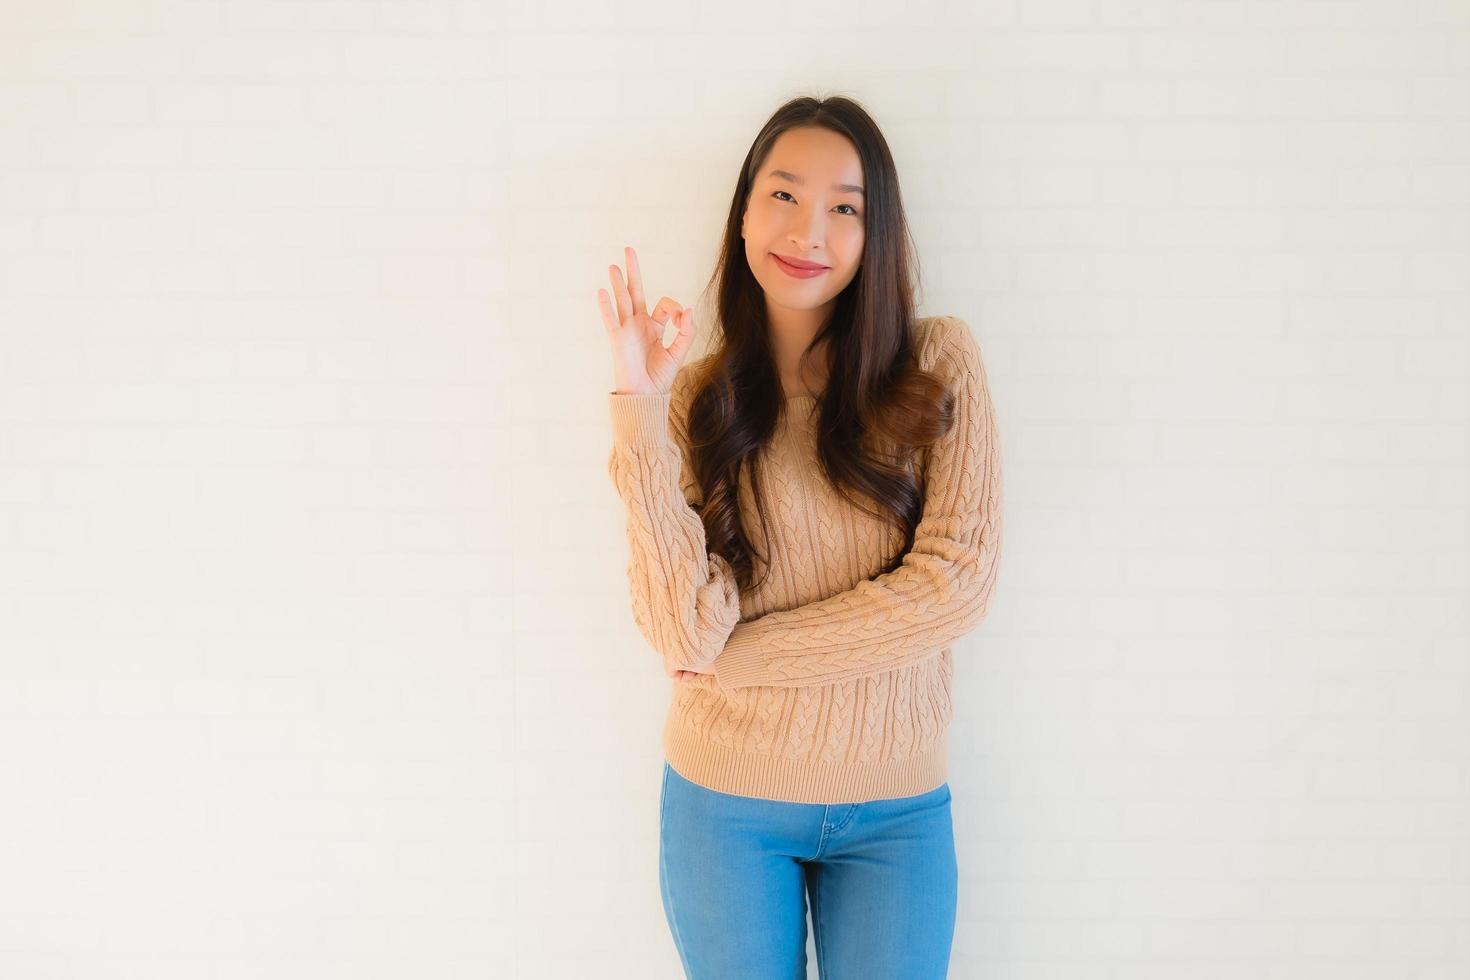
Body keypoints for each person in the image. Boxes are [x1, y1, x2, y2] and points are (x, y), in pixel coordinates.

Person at [597, 95, 1004, 979]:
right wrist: (639, 401)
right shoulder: (698, 399)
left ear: (875, 233)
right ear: (744, 211)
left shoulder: (938, 366)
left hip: (896, 809)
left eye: (845, 207)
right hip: (724, 803)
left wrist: (744, 662)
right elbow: (681, 633)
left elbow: (956, 584)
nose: (807, 229)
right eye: (782, 195)